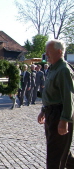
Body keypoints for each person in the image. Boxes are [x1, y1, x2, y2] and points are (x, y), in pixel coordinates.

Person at [37, 39, 74, 169]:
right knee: (61, 151)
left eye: (49, 52)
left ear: (59, 52)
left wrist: (64, 120)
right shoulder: (53, 68)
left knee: (55, 156)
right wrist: (43, 110)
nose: (46, 55)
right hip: (51, 114)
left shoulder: (64, 70)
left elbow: (68, 98)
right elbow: (51, 94)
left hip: (60, 114)